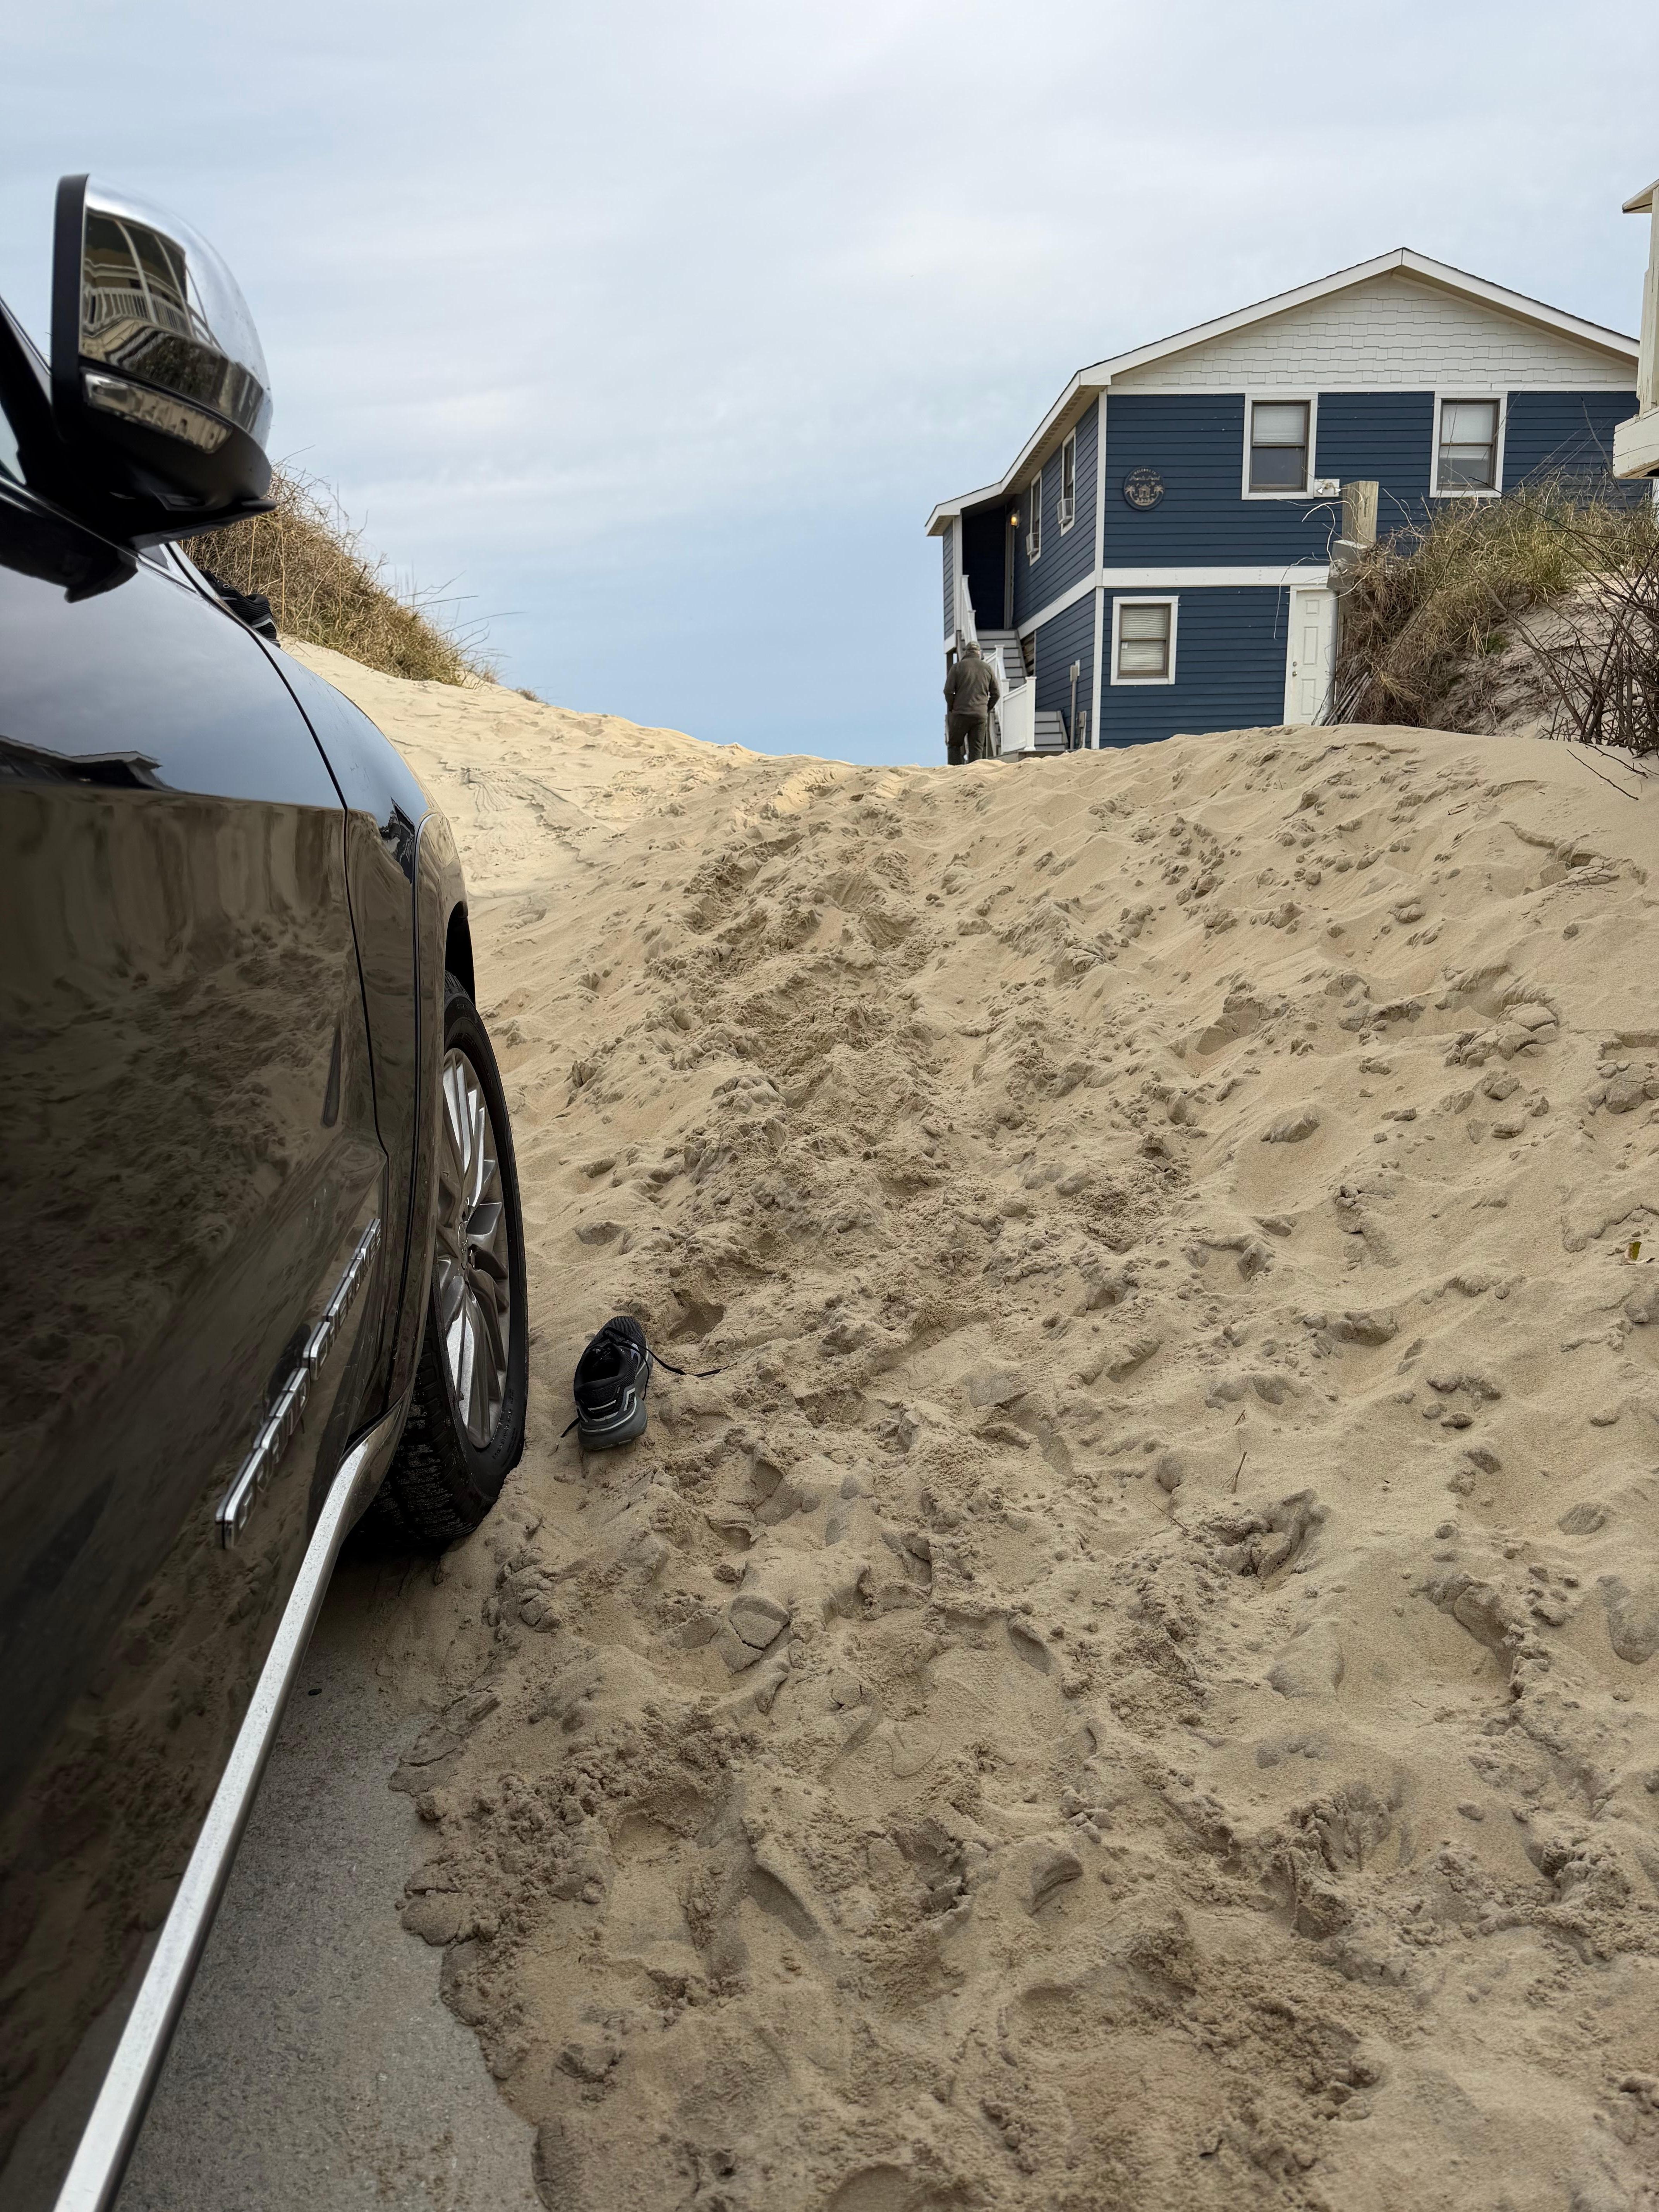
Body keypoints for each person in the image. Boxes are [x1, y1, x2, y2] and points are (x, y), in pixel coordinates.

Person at [943, 641, 1000, 765]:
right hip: (980, 715)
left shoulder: (957, 667)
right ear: (979, 653)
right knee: (977, 749)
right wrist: (986, 709)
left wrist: (952, 707)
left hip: (961, 714)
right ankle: (974, 774)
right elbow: (996, 694)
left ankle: (955, 773)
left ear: (967, 652)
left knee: (954, 745)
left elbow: (948, 692)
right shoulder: (987, 668)